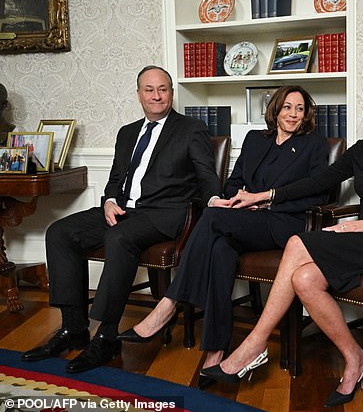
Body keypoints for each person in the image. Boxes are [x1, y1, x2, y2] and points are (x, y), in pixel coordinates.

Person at [205, 77, 363, 407]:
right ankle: (356, 357)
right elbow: (316, 182)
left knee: (298, 242)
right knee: (304, 279)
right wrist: (267, 195)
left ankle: (255, 343)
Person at [116, 85, 330, 389]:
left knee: (213, 216)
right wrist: (237, 198)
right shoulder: (256, 140)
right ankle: (215, 351)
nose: (293, 114)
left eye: (299, 108)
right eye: (287, 107)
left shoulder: (314, 144)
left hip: (284, 223)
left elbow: (316, 191)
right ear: (275, 110)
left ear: (306, 114)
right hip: (245, 220)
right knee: (219, 251)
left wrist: (264, 201)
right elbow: (232, 183)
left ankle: (169, 303)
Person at [21, 66, 222, 374]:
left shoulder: (190, 129)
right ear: (139, 94)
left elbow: (207, 176)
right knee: (60, 231)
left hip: (165, 214)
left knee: (120, 237)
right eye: (149, 90)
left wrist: (213, 201)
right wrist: (110, 202)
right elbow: (115, 180)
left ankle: (106, 335)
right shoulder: (127, 132)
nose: (156, 96)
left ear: (171, 92)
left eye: (163, 89)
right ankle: (73, 329)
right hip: (125, 209)